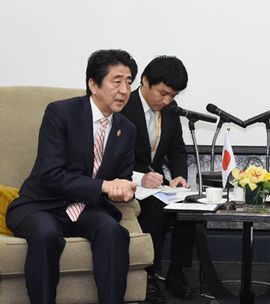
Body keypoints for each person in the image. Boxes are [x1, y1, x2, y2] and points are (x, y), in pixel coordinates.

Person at [6, 49, 138, 304]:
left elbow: (122, 177)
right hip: (43, 203)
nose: (124, 90)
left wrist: (124, 189)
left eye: (129, 81)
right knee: (45, 234)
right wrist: (105, 185)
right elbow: (50, 174)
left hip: (88, 207)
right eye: (117, 80)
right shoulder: (60, 113)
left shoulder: (127, 129)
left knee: (112, 231)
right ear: (93, 84)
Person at [121, 55, 194, 301]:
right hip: (129, 182)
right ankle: (149, 274)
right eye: (162, 93)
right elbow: (112, 155)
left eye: (172, 96)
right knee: (156, 211)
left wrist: (180, 177)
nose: (167, 100)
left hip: (157, 184)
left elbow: (177, 150)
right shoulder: (123, 105)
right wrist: (141, 178)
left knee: (191, 209)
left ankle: (177, 272)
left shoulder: (171, 111)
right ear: (145, 81)